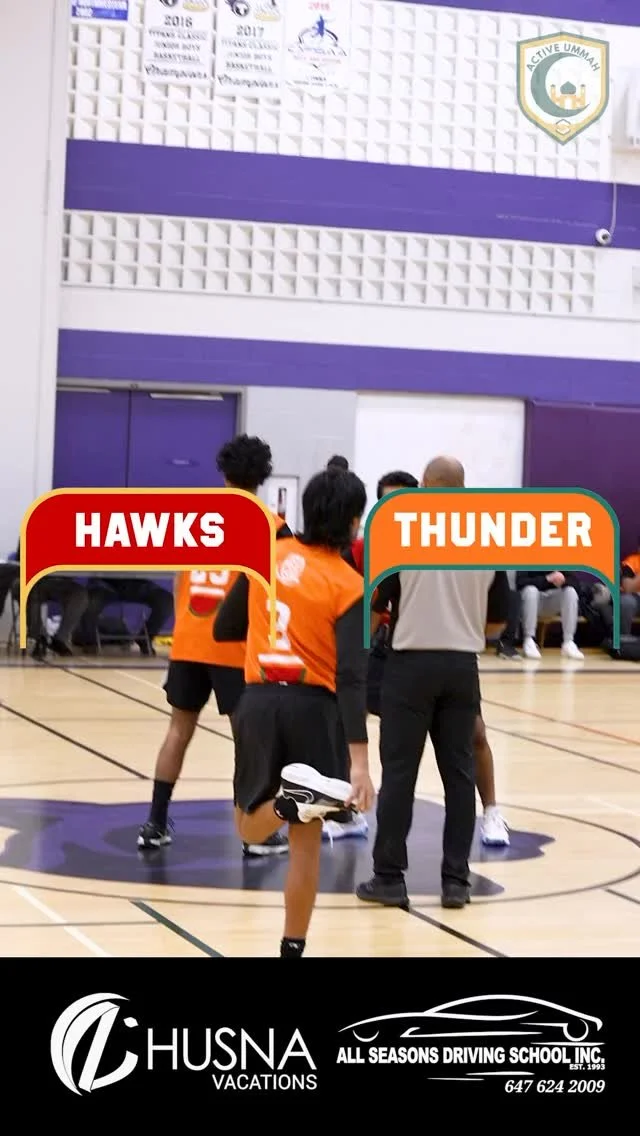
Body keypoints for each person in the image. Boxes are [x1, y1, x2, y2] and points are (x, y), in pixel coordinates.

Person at [214, 467, 375, 958]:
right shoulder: (349, 584)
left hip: (260, 702)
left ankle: (288, 803)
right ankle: (292, 947)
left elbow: (224, 627)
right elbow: (352, 677)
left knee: (248, 827)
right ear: (353, 521)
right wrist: (360, 762)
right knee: (306, 845)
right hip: (316, 710)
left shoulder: (264, 557)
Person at [357, 455, 510, 911]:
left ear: (424, 485)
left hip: (409, 666)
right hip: (462, 666)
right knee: (459, 776)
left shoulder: (402, 535)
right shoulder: (488, 541)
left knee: (400, 774)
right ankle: (456, 882)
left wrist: (359, 654)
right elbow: (498, 625)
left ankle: (389, 878)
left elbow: (377, 606)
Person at [137, 435, 292, 857]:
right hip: (236, 647)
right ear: (263, 475)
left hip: (189, 642)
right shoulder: (272, 526)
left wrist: (185, 628)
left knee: (177, 731)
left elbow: (178, 580)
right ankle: (254, 833)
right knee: (248, 740)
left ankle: (154, 823)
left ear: (223, 472)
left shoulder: (195, 518)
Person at [517, 569, 584, 660]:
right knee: (530, 590)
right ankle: (529, 640)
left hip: (552, 600)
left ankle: (568, 642)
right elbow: (520, 582)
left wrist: (564, 581)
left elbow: (576, 584)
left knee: (570, 591)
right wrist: (547, 579)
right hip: (531, 600)